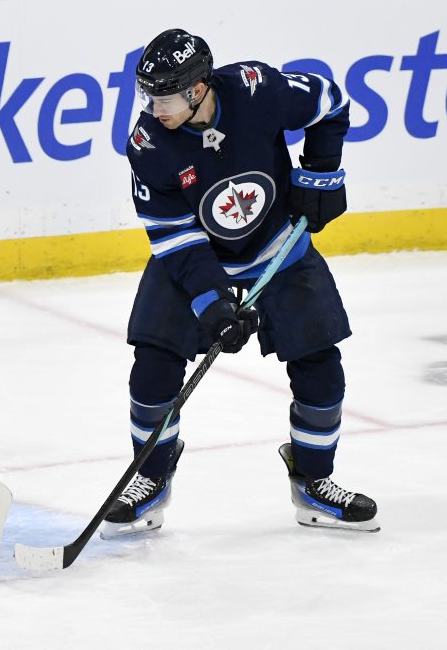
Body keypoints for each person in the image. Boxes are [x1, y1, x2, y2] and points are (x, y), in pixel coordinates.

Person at [103, 28, 378, 538]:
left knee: (320, 363)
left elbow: (330, 101)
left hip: (278, 250)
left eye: (165, 96)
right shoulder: (148, 144)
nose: (154, 108)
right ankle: (151, 482)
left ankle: (315, 483)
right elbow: (174, 238)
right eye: (148, 95)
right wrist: (211, 303)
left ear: (199, 87)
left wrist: (322, 173)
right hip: (194, 258)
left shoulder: (258, 90)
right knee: (153, 363)